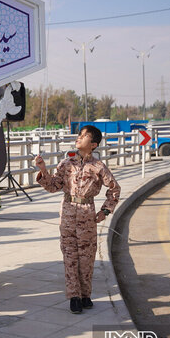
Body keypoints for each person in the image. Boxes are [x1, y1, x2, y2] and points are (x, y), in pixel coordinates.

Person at [34, 125, 120, 314]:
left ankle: (85, 295)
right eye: (79, 135)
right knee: (70, 256)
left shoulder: (98, 167)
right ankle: (74, 296)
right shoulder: (66, 164)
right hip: (67, 213)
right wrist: (43, 169)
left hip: (87, 213)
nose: (79, 138)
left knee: (87, 256)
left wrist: (105, 212)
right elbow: (53, 186)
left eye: (84, 136)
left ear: (94, 144)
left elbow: (114, 189)